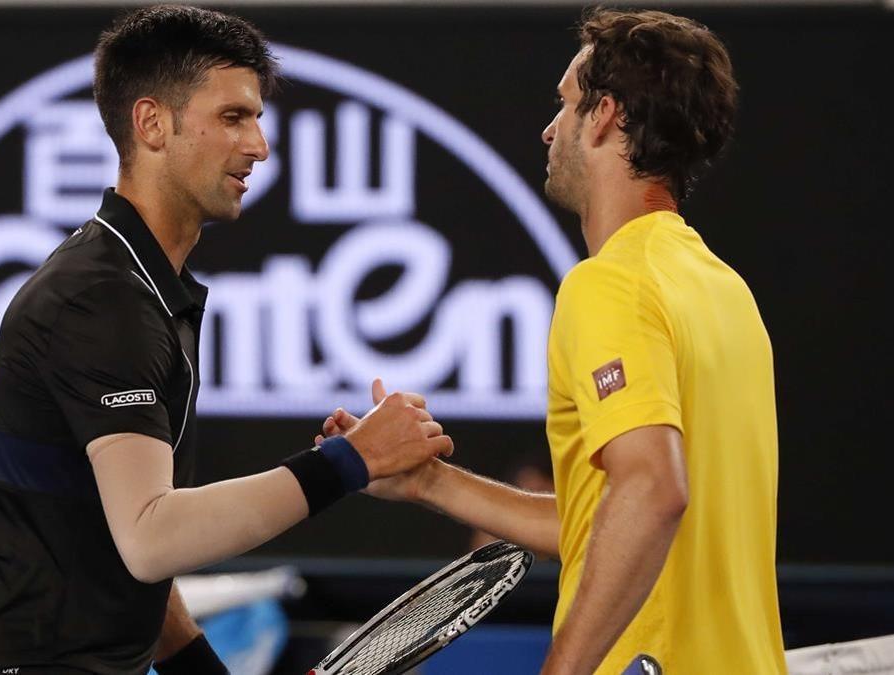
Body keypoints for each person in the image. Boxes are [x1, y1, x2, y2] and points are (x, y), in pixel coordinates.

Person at [0, 6, 451, 675]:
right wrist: (352, 461)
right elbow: (151, 536)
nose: (259, 146)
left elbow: (117, 548)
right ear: (151, 124)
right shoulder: (100, 300)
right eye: (234, 117)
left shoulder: (140, 287)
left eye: (257, 117)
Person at [324, 9, 785, 673]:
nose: (550, 127)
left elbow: (653, 490)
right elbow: (610, 523)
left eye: (565, 104)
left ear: (604, 115)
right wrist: (430, 481)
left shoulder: (610, 284)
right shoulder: (722, 288)